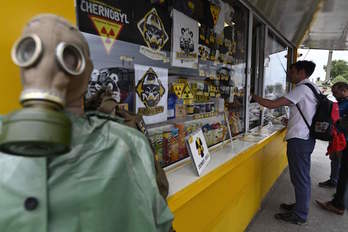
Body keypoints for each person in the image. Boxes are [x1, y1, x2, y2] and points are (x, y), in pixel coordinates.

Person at [0, 14, 173, 232]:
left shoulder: (128, 146)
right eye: (32, 52)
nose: (47, 68)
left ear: (85, 70)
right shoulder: (128, 146)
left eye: (67, 57)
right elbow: (162, 222)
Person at [252, 60, 318, 225]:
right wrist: (292, 121)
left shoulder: (301, 89)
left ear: (301, 72)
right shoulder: (312, 87)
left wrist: (252, 96)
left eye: (292, 71)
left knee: (300, 178)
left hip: (299, 140)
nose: (289, 74)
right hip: (306, 138)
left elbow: (272, 104)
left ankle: (300, 215)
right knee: (301, 177)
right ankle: (300, 207)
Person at [316, 82, 348, 215]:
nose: (334, 95)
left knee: (344, 174)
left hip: (344, 141)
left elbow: (337, 119)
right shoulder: (342, 102)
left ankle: (338, 205)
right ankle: (338, 200)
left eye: (336, 92)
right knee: (342, 172)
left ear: (345, 91)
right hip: (340, 140)